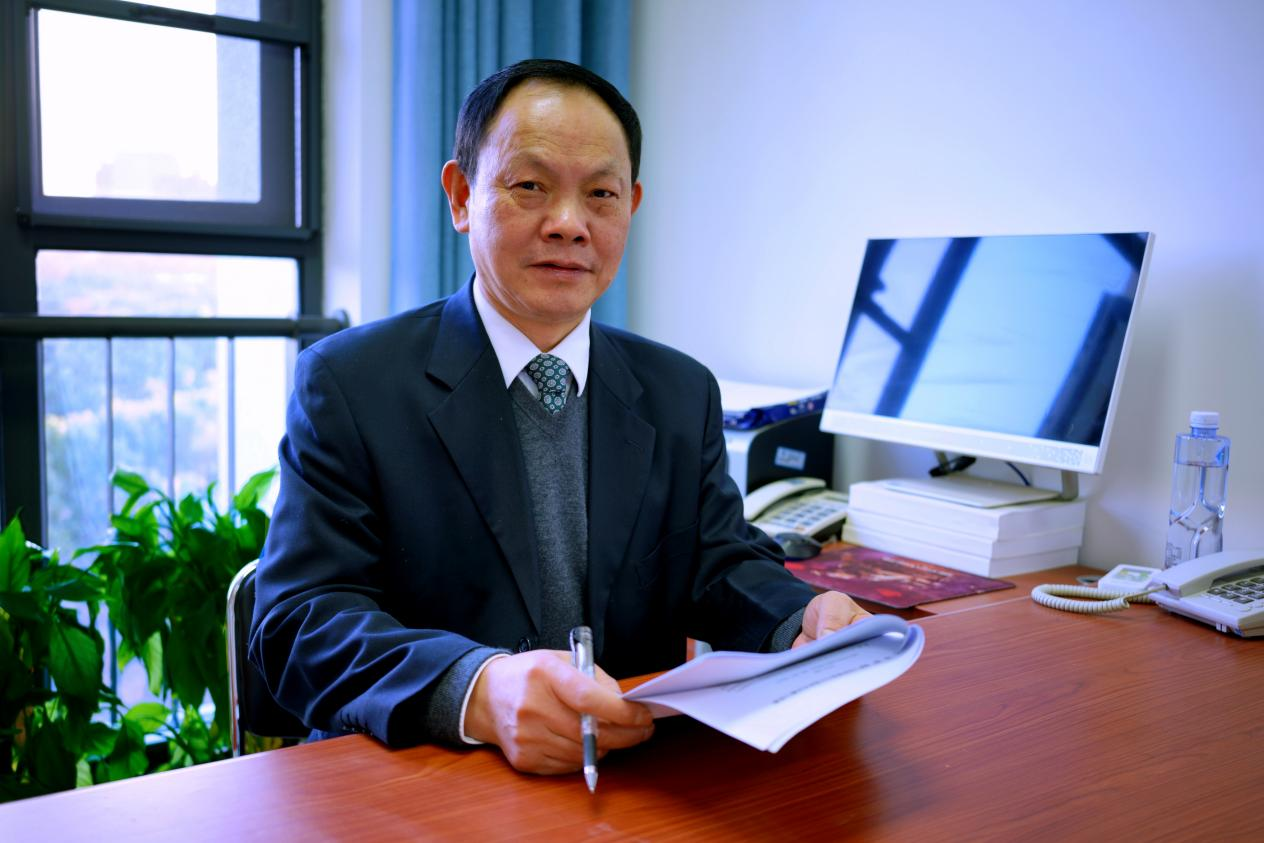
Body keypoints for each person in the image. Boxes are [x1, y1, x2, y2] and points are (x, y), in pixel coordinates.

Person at [249, 58, 869, 775]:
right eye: (530, 186)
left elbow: (718, 561)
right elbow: (300, 620)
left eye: (601, 194)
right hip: (425, 779)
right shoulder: (351, 383)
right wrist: (475, 690)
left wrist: (800, 617)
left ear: (631, 207)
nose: (570, 224)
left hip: (628, 778)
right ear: (461, 196)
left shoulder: (678, 390)